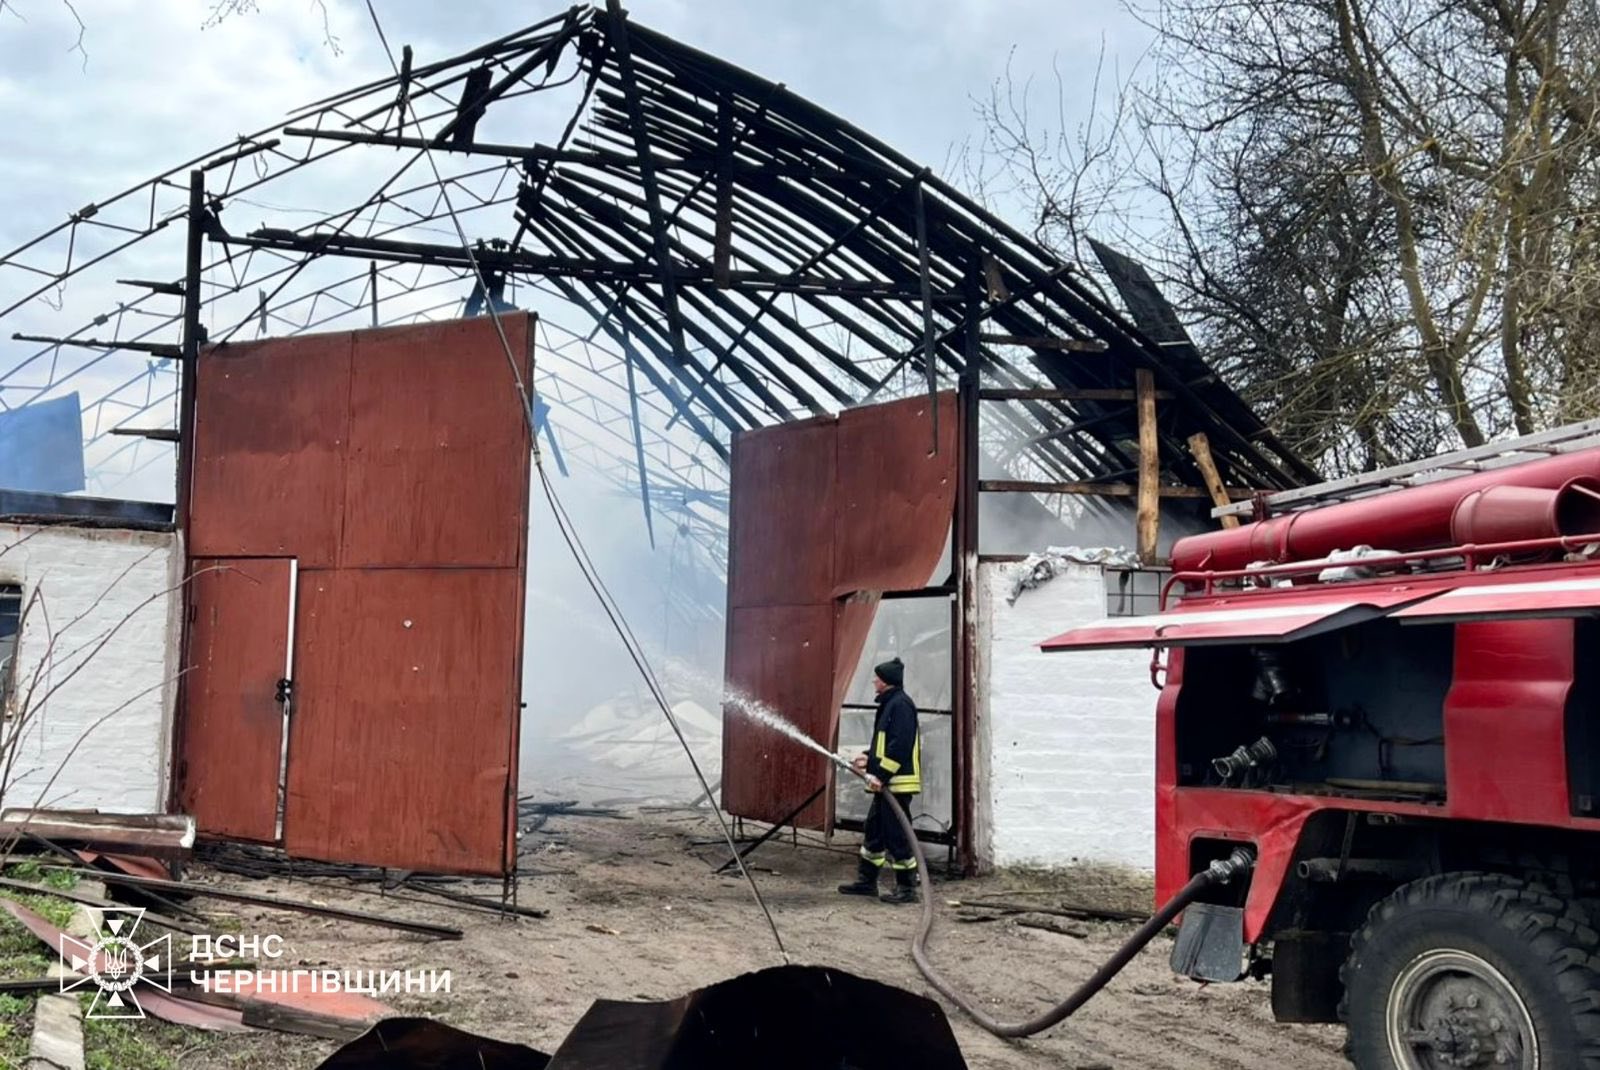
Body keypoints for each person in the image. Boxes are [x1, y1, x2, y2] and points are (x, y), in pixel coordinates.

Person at [837, 655, 922, 904]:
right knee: (874, 831)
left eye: (877, 678)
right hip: (886, 782)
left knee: (897, 834)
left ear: (886, 681)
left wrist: (881, 775)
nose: (874, 681)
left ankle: (907, 889)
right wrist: (868, 757)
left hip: (897, 783)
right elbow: (883, 744)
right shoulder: (889, 704)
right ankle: (867, 882)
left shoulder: (901, 705)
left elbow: (899, 747)